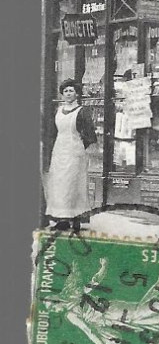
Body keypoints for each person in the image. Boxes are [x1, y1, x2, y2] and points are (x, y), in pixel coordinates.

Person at [45, 79, 97, 232]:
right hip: (59, 151)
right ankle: (62, 219)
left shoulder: (82, 111)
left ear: (76, 93)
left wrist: (81, 147)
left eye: (71, 91)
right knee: (59, 184)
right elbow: (52, 132)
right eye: (66, 91)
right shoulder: (58, 111)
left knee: (74, 184)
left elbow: (89, 134)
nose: (68, 94)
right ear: (62, 93)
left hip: (75, 152)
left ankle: (76, 218)